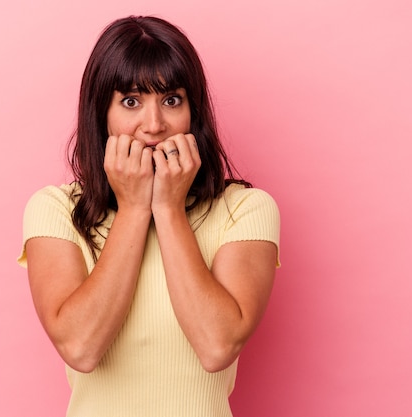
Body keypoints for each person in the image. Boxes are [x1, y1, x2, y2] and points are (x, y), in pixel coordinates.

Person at [18, 15, 280, 417]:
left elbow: (217, 347)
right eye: (130, 101)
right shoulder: (55, 210)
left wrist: (169, 208)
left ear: (194, 113)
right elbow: (80, 348)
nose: (154, 125)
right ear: (101, 114)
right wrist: (135, 207)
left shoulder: (245, 210)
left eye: (172, 100)